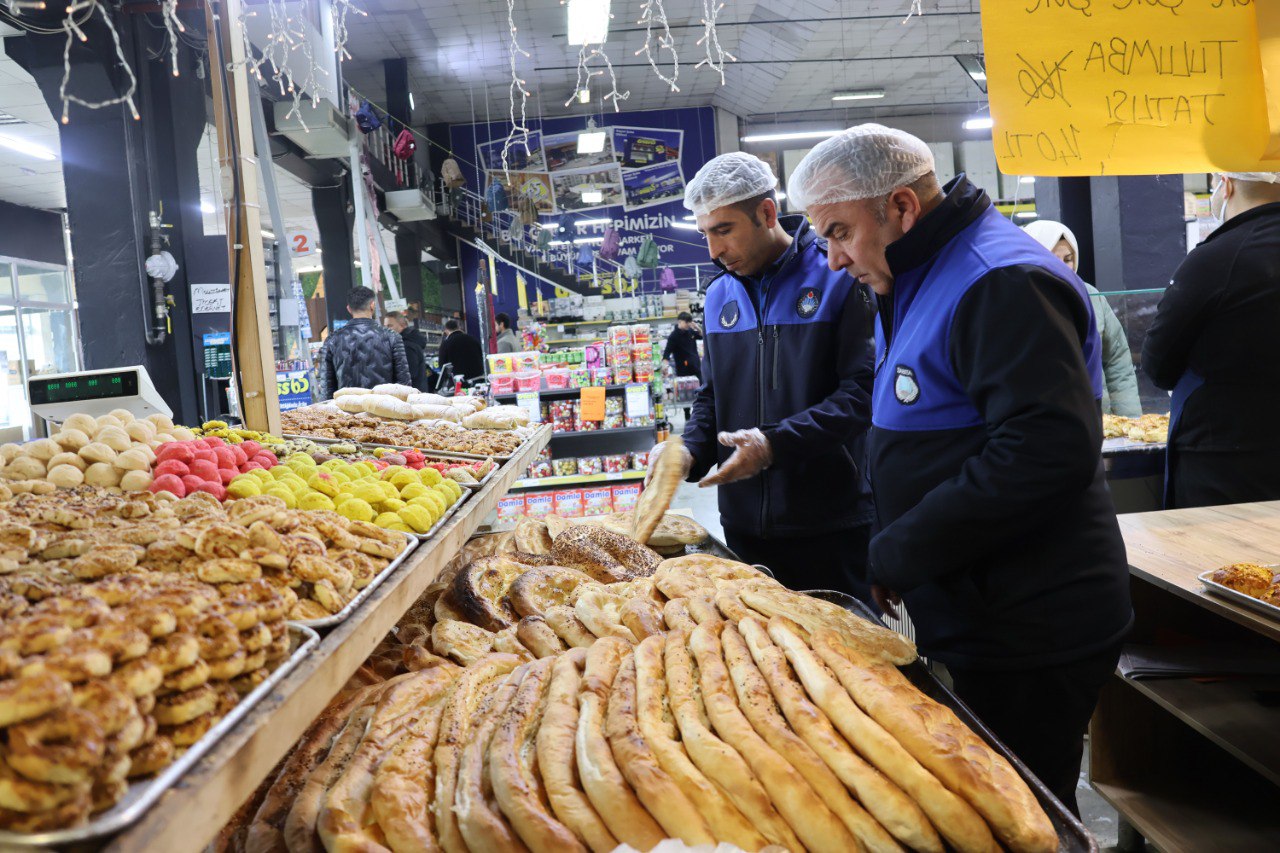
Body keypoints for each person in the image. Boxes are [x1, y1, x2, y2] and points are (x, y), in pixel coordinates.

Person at [788, 124, 1132, 815]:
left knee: (1020, 816)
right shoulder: (915, 274)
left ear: (902, 208)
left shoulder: (999, 279)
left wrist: (901, 548)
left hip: (1029, 622)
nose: (832, 259)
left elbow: (1046, 450)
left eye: (839, 232)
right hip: (979, 606)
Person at [648, 151, 877, 601]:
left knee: (842, 641)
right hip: (744, 526)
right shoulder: (719, 296)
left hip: (830, 522)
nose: (713, 251)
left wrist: (775, 444)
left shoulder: (838, 275)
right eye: (704, 233)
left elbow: (863, 392)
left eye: (723, 230)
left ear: (767, 214)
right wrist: (689, 450)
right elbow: (713, 397)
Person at [1143, 171, 1280, 509]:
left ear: (1227, 184)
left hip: (1224, 464)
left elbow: (1158, 364)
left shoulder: (1216, 259)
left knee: (1225, 547)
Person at [1023, 220, 1142, 417]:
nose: (1062, 268)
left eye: (1068, 259)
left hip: (1099, 418)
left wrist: (1129, 419)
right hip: (1048, 421)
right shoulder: (1021, 303)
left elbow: (1117, 361)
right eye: (1052, 258)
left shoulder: (1092, 296)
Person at [318, 287, 411, 399]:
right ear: (372, 305)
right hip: (384, 407)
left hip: (347, 407)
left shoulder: (332, 340)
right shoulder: (393, 337)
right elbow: (404, 385)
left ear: (349, 309)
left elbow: (326, 389)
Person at [383, 311, 431, 392]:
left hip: (411, 394)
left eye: (390, 326)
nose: (386, 329)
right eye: (384, 326)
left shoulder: (406, 346)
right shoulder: (408, 341)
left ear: (402, 326)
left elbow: (409, 375)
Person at [437, 318, 486, 384]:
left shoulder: (446, 344)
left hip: (460, 382)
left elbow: (442, 366)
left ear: (446, 330)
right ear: (458, 328)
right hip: (478, 379)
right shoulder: (473, 339)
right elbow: (481, 356)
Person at [662, 311, 703, 379]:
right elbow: (667, 353)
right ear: (680, 321)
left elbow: (702, 336)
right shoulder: (673, 336)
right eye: (686, 322)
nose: (689, 324)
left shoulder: (690, 331)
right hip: (684, 369)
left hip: (696, 365)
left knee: (701, 384)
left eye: (690, 322)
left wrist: (697, 327)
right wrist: (664, 366)